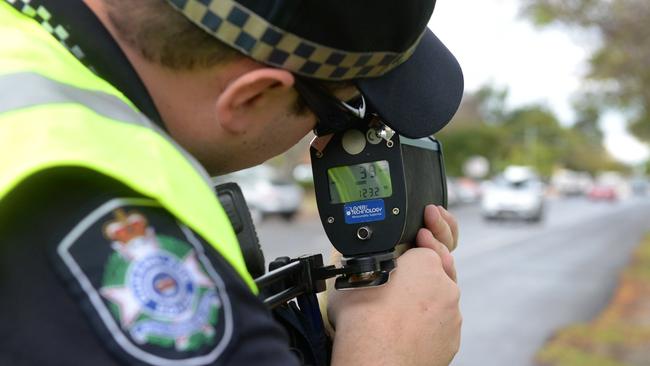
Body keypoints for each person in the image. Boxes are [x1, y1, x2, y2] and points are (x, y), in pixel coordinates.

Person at [0, 0, 463, 365]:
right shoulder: (94, 212)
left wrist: (311, 325)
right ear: (251, 97)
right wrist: (388, 356)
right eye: (343, 109)